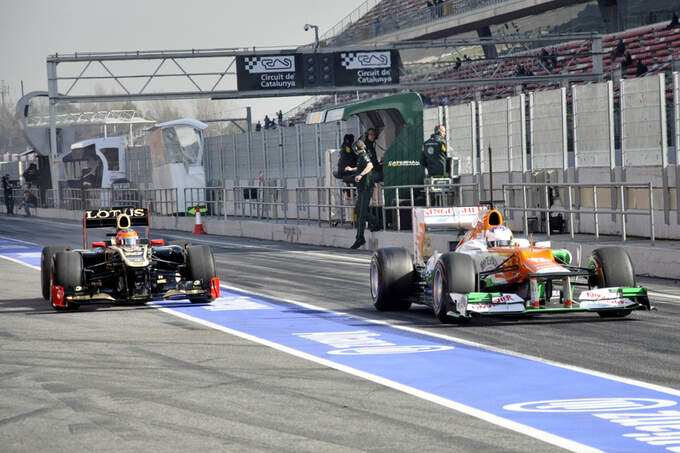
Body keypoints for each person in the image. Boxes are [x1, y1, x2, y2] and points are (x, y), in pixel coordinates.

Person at [345, 140, 379, 249]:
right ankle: (377, 222)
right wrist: (352, 169)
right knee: (357, 210)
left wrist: (360, 175)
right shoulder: (361, 157)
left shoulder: (364, 156)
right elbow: (362, 167)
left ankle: (360, 238)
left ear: (356, 149)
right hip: (362, 189)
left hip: (366, 188)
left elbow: (370, 165)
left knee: (361, 213)